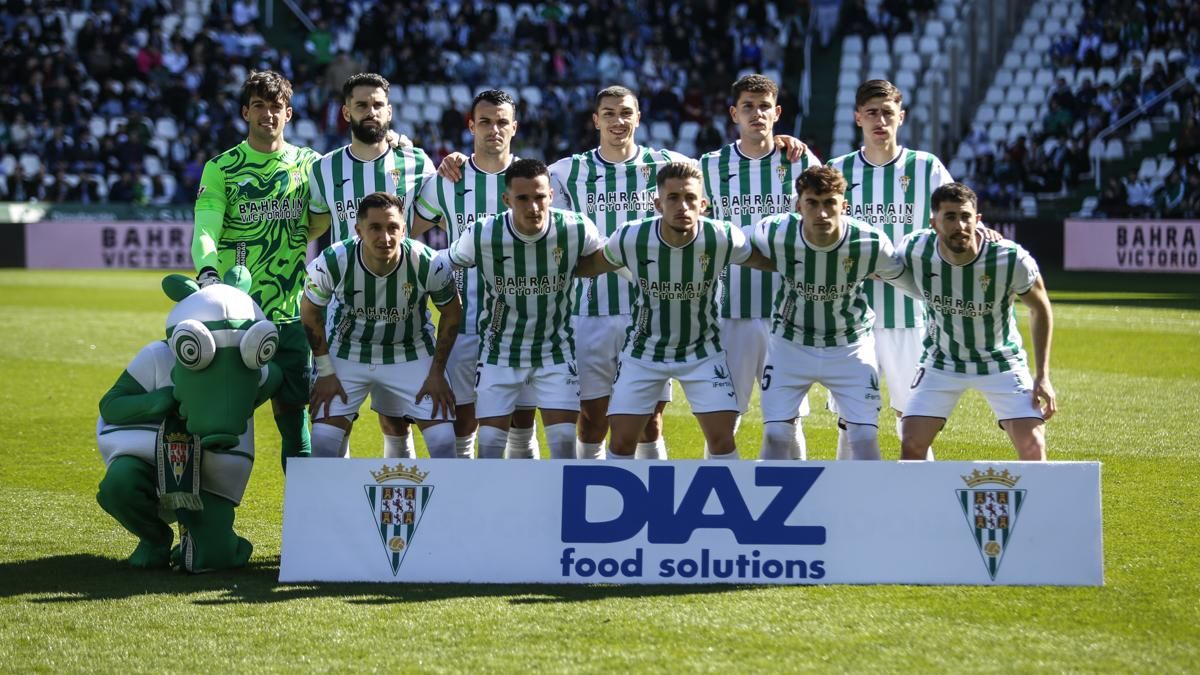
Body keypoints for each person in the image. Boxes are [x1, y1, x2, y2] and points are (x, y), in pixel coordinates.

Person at [580, 162, 772, 459]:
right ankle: (613, 504)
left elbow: (763, 261)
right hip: (643, 353)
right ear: (658, 203)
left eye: (690, 198)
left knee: (722, 441)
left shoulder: (722, 236)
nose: (683, 206)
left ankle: (729, 505)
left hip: (703, 352)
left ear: (703, 204)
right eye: (673, 198)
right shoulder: (631, 236)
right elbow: (591, 265)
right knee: (620, 443)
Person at [192, 70, 321, 471]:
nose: (269, 114)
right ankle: (204, 524)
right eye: (260, 106)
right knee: (220, 424)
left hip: (292, 316)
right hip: (237, 316)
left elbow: (320, 220)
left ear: (289, 113)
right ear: (246, 112)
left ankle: (303, 523)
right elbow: (205, 229)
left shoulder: (310, 165)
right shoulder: (222, 167)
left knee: (296, 425)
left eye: (276, 107)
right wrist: (209, 273)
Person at [306, 72, 437, 459]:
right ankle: (342, 508)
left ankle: (403, 495)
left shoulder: (416, 161)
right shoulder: (324, 169)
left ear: (390, 111)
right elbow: (314, 227)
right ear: (346, 112)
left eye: (378, 104)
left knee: (397, 420)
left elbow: (434, 215)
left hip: (405, 313)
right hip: (343, 316)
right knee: (333, 421)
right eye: (361, 105)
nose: (371, 112)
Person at [411, 89, 543, 460]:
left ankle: (522, 507)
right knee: (463, 422)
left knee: (521, 422)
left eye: (502, 122)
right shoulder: (446, 180)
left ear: (514, 127)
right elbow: (409, 235)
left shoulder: (532, 179)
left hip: (520, 324)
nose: (494, 129)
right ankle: (469, 509)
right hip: (464, 320)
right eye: (485, 121)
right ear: (471, 126)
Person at [444, 159, 605, 460]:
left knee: (563, 449)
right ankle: (492, 508)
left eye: (540, 196)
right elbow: (443, 262)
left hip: (554, 353)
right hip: (498, 353)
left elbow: (610, 255)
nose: (533, 207)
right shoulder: (482, 233)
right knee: (490, 449)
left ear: (551, 196)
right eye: (523, 198)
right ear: (507, 200)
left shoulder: (575, 228)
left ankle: (554, 508)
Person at [827, 79, 953, 460]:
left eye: (887, 112)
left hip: (910, 316)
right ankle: (844, 504)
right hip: (850, 318)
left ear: (901, 116)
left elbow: (953, 221)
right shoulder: (839, 170)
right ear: (857, 118)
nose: (880, 120)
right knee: (853, 419)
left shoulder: (927, 168)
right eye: (871, 113)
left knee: (911, 416)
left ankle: (920, 502)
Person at [750, 166, 912, 461]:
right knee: (775, 436)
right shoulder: (773, 231)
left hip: (850, 345)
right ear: (799, 205)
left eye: (830, 203)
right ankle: (774, 505)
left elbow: (907, 279)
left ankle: (863, 507)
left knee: (863, 437)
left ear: (844, 206)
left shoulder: (870, 242)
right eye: (812, 203)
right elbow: (735, 248)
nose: (822, 213)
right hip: (790, 342)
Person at [699, 73, 821, 458]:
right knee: (723, 419)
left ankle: (796, 501)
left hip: (787, 312)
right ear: (734, 113)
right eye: (748, 107)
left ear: (777, 112)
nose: (757, 114)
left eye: (764, 106)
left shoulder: (802, 163)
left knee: (786, 423)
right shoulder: (709, 166)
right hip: (728, 311)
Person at [898, 183, 1056, 461]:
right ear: (934, 223)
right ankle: (922, 506)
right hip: (942, 361)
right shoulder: (914, 249)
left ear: (978, 219)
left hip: (1001, 360)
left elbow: (1040, 308)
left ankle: (1039, 505)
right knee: (911, 442)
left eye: (965, 216)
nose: (959, 225)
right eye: (950, 217)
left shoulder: (1009, 258)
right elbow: (878, 265)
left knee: (1033, 448)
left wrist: (1042, 375)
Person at [300, 192, 461, 459]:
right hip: (348, 351)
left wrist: (436, 372)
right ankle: (339, 500)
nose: (385, 237)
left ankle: (443, 501)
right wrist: (326, 372)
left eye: (392, 228)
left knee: (444, 441)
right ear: (359, 230)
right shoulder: (332, 260)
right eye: (375, 228)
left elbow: (453, 313)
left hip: (410, 350)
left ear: (404, 230)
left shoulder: (428, 262)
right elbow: (309, 311)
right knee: (323, 443)